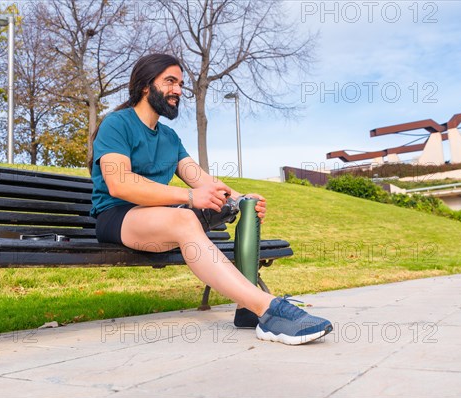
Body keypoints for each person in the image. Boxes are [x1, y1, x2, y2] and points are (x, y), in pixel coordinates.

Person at [89, 53, 332, 345]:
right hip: (117, 218)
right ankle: (269, 310)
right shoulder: (117, 124)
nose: (178, 90)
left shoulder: (169, 138)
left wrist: (242, 198)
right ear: (145, 85)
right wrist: (190, 197)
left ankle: (247, 309)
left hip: (157, 220)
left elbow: (201, 179)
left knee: (228, 212)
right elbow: (119, 183)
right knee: (184, 217)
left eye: (180, 83)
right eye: (170, 81)